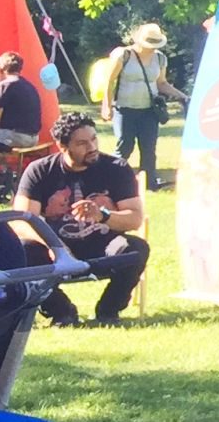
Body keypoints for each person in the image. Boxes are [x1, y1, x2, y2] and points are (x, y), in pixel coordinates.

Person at [13, 113, 148, 327]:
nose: (92, 147)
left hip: (103, 247)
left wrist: (102, 215)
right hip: (56, 249)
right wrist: (52, 245)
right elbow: (21, 220)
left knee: (136, 249)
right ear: (62, 146)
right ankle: (62, 312)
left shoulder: (116, 168)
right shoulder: (39, 171)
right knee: (23, 251)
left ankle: (108, 311)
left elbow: (134, 219)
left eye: (94, 139)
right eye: (82, 143)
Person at [99, 23, 187, 191]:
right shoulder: (123, 55)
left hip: (149, 111)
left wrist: (182, 96)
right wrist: (106, 106)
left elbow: (161, 83)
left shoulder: (160, 58)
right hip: (125, 109)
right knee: (124, 146)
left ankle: (149, 183)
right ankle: (113, 181)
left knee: (149, 148)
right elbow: (109, 81)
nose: (152, 49)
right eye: (149, 44)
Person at [0, 53, 44, 150]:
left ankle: (4, 164)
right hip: (34, 138)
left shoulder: (4, 86)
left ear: (1, 69)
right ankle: (5, 165)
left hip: (16, 137)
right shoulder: (29, 86)